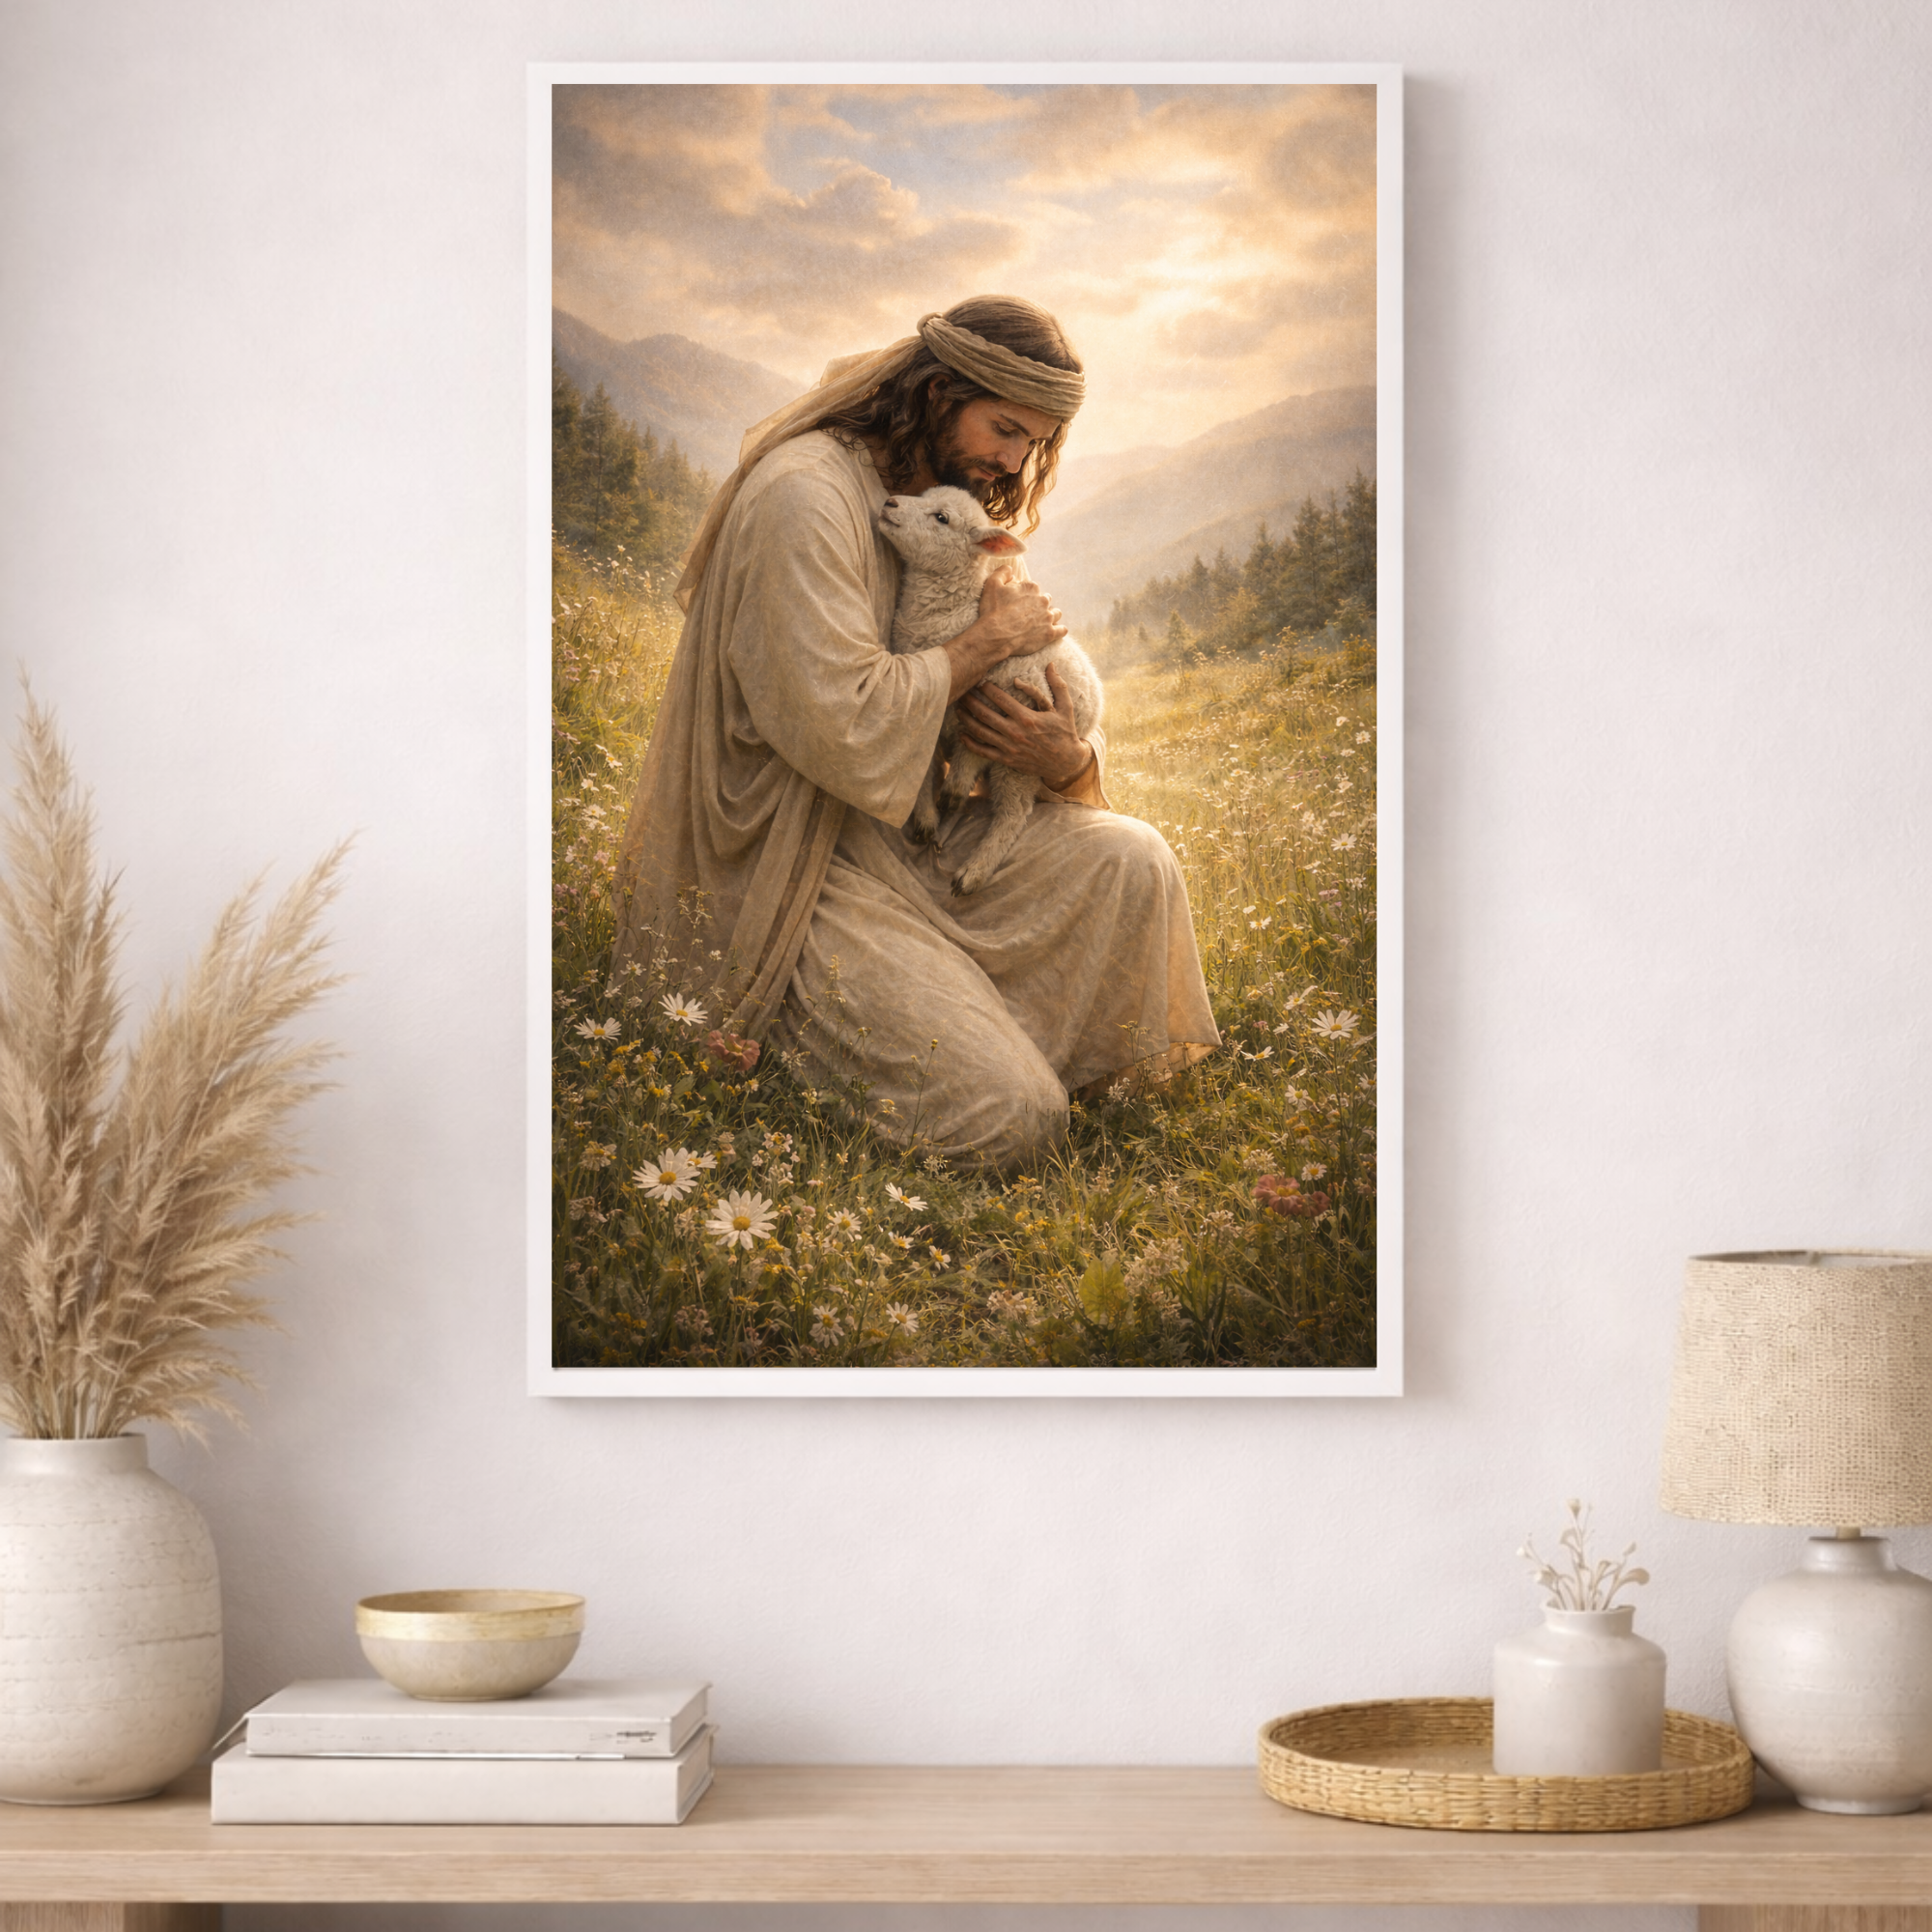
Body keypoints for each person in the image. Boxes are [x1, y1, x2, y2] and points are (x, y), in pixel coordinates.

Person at [611, 295, 1218, 1169]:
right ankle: (947, 1040)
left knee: (1135, 857)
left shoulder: (930, 493)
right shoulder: (805, 497)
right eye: (1004, 428)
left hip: (909, 838)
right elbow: (845, 725)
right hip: (795, 866)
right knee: (1011, 1117)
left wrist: (1065, 760)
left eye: (1034, 443)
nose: (1014, 461)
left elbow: (1002, 692)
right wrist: (987, 642)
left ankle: (977, 1015)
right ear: (936, 392)